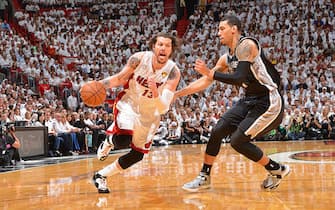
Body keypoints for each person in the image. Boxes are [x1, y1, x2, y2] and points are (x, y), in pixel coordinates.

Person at [175, 15, 290, 192]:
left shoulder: (247, 45)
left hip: (269, 101)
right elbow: (205, 81)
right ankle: (204, 177)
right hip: (250, 100)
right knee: (218, 130)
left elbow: (239, 78)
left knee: (237, 141)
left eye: (222, 29)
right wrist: (177, 94)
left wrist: (211, 74)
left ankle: (276, 169)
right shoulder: (225, 58)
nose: (218, 32)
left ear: (234, 29)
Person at [90, 32, 181, 193]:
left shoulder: (173, 72)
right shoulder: (138, 59)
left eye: (167, 45)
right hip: (129, 103)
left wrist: (155, 93)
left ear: (172, 50)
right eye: (160, 44)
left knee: (138, 155)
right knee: (124, 138)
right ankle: (110, 140)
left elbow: (163, 108)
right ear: (153, 46)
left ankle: (101, 175)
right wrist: (99, 85)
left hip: (151, 113)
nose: (163, 48)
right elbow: (119, 79)